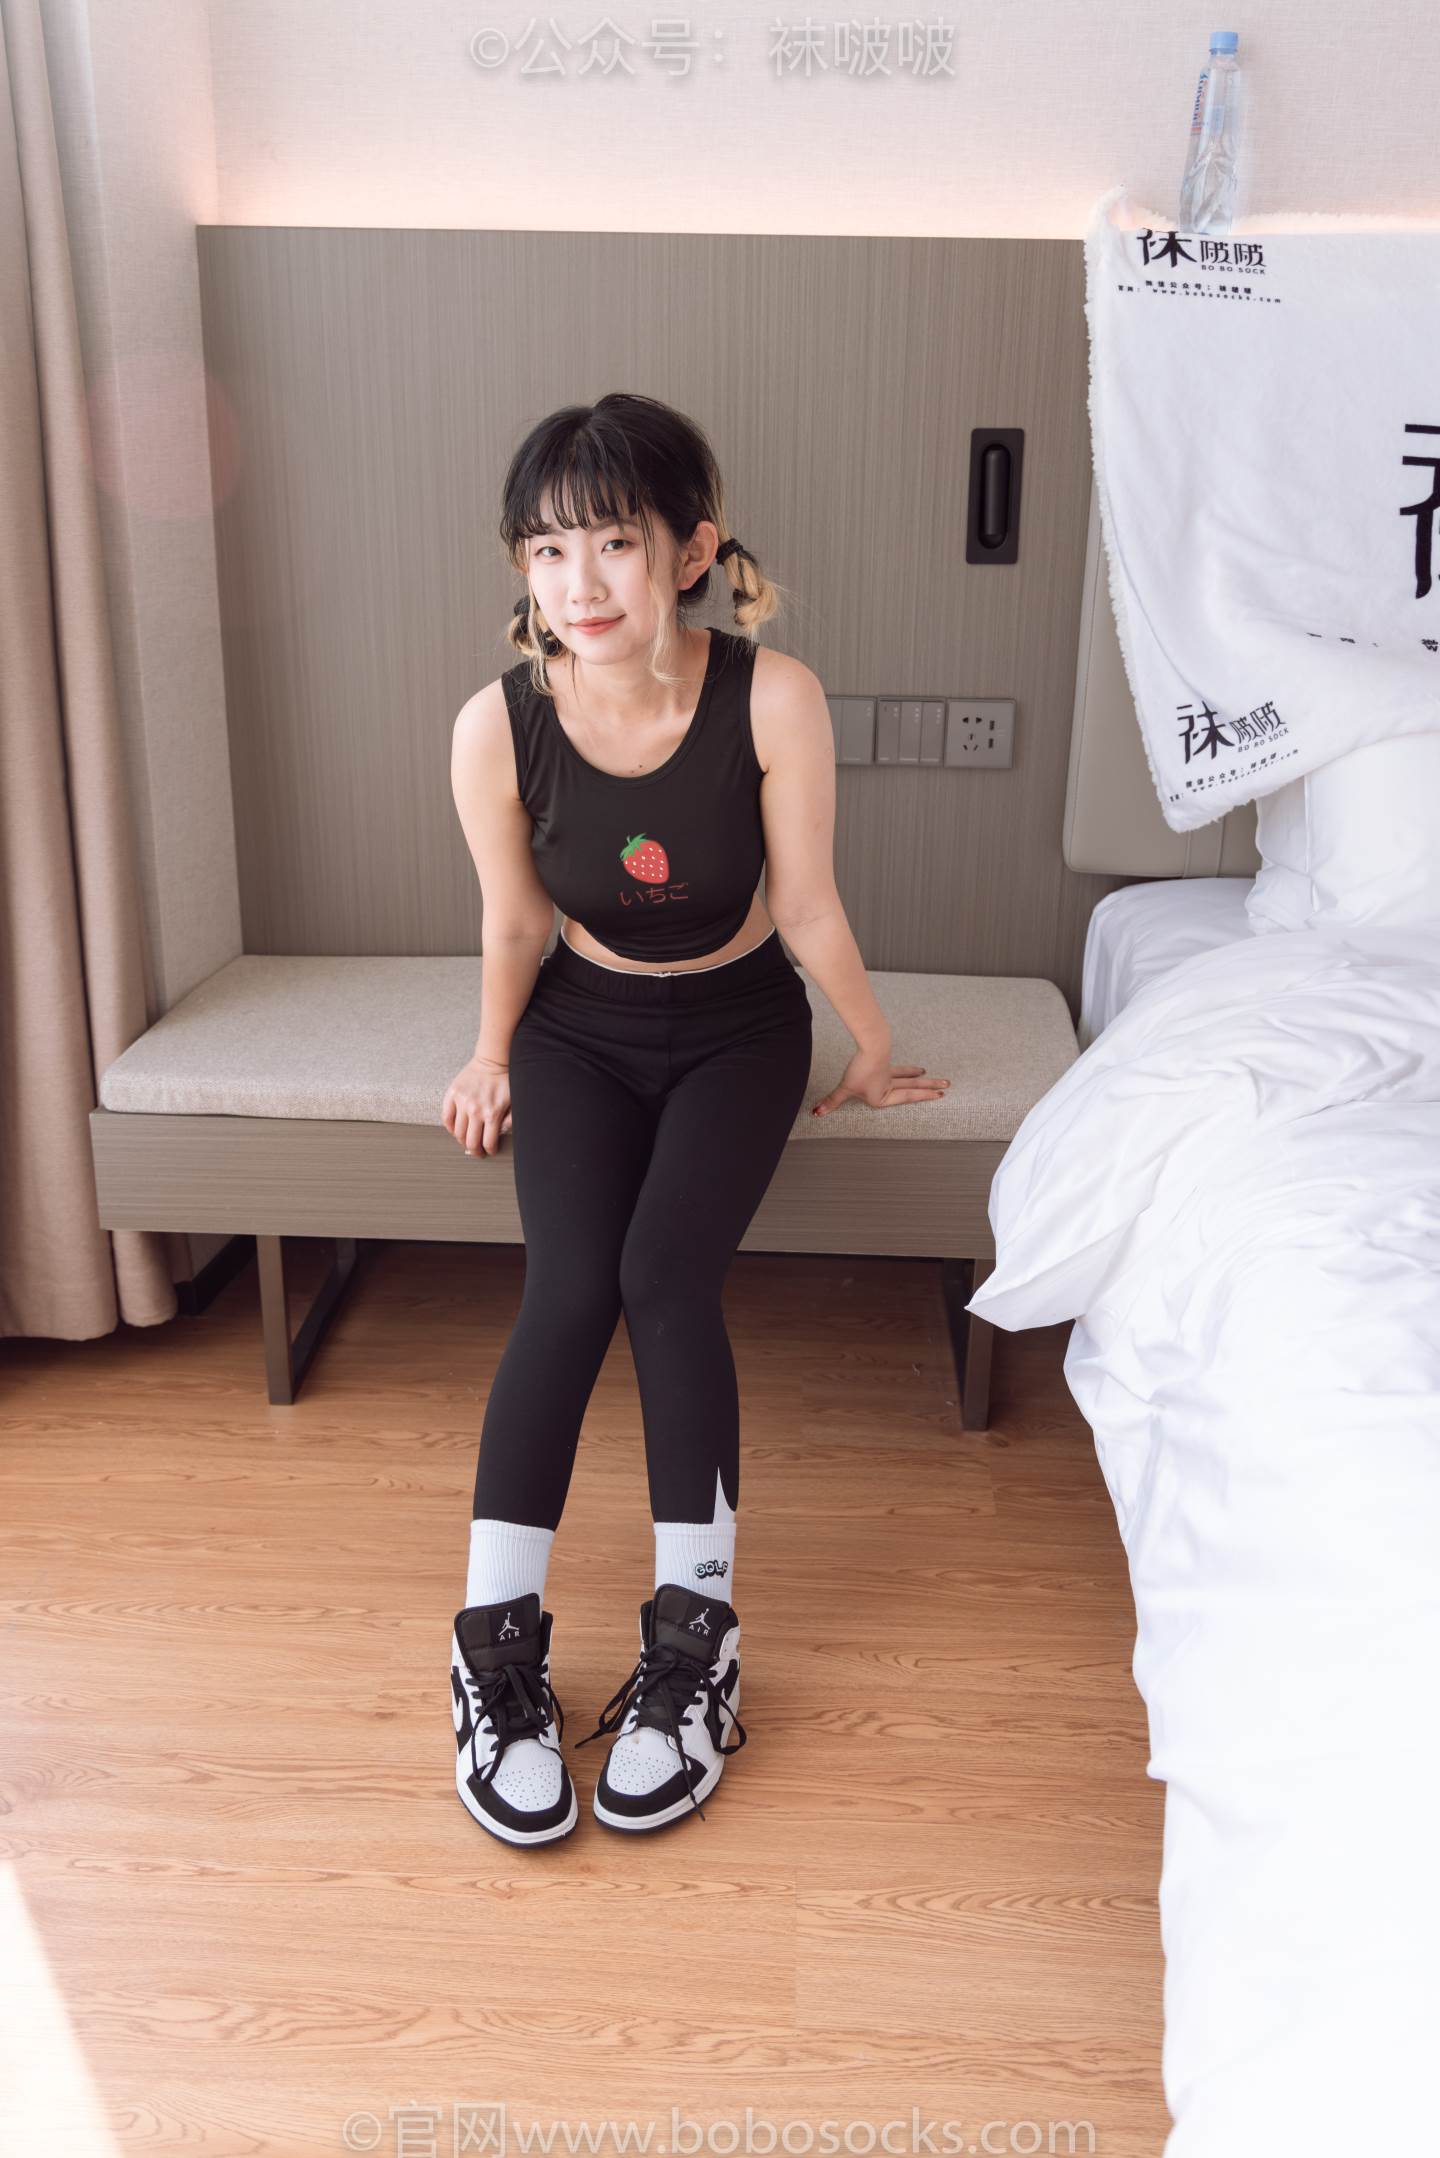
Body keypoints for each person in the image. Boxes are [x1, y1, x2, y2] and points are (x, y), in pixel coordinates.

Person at [441, 392, 951, 1846]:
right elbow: (516, 921)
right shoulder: (498, 724)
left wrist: (871, 1042)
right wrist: (489, 1054)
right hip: (578, 1029)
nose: (579, 583)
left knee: (665, 1280)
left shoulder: (772, 697)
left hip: (736, 1029)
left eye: (614, 541)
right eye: (548, 550)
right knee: (569, 1288)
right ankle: (491, 1652)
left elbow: (805, 902)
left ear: (691, 550)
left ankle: (698, 1644)